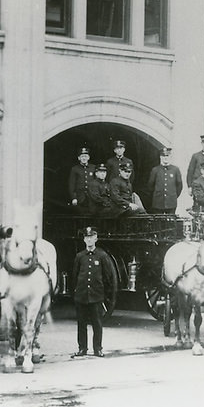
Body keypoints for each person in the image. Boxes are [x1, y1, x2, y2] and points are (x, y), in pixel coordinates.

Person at [71, 226, 115, 358]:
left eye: (91, 237)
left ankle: (98, 349)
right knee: (81, 324)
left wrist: (103, 293)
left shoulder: (102, 256)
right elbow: (75, 276)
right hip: (82, 295)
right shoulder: (79, 256)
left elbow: (108, 277)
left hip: (96, 295)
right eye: (87, 237)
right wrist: (76, 293)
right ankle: (82, 348)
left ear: (96, 238)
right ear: (84, 239)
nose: (89, 240)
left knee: (97, 323)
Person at [146, 147, 182, 215]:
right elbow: (150, 186)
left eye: (167, 156)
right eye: (163, 156)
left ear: (170, 157)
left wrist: (172, 195)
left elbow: (179, 185)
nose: (165, 158)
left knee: (171, 223)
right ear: (160, 157)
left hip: (171, 202)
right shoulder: (155, 170)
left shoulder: (175, 170)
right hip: (158, 202)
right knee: (159, 222)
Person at [68, 146, 96, 215]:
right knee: (81, 215)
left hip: (91, 197)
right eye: (82, 156)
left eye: (86, 156)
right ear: (79, 158)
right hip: (80, 197)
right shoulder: (75, 169)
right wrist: (74, 198)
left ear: (88, 157)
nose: (84, 158)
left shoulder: (93, 167)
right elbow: (72, 184)